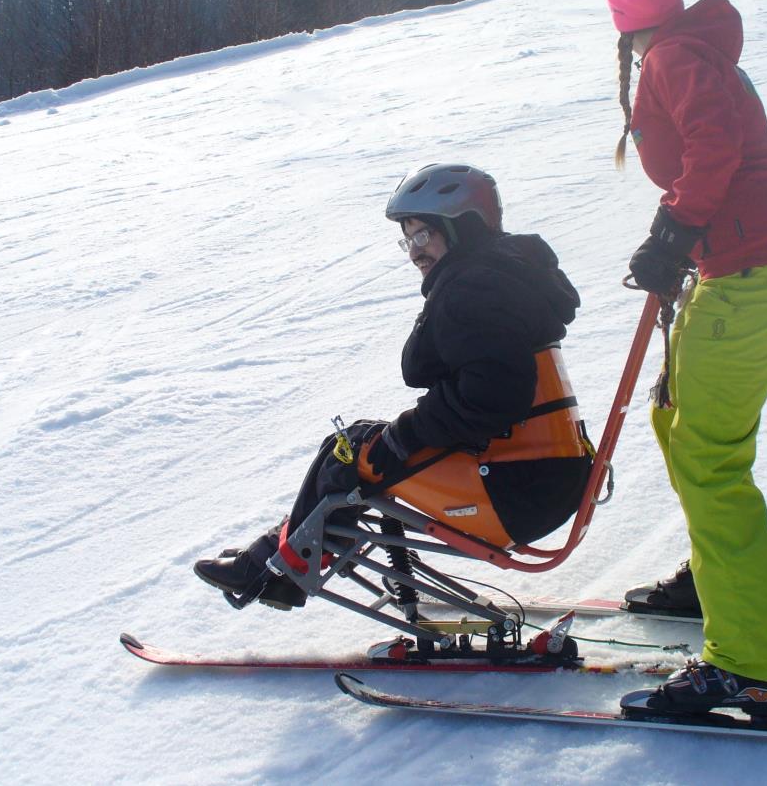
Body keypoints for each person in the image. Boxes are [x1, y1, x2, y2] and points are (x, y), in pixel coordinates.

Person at [193, 163, 591, 610]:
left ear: (462, 227)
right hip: (548, 475)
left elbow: (493, 395)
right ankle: (280, 556)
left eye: (423, 236)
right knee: (354, 444)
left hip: (514, 491)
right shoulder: (501, 277)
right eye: (408, 239)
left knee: (347, 456)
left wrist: (403, 435)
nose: (414, 252)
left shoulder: (474, 290)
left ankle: (274, 570)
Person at [601, 0, 767, 718]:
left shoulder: (672, 56)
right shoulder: (691, 46)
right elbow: (713, 153)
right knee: (676, 419)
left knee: (710, 456)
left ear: (625, 24)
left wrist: (676, 227)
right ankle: (724, 582)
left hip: (754, 273)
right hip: (749, 269)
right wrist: (680, 236)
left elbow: (714, 148)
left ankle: (755, 663)